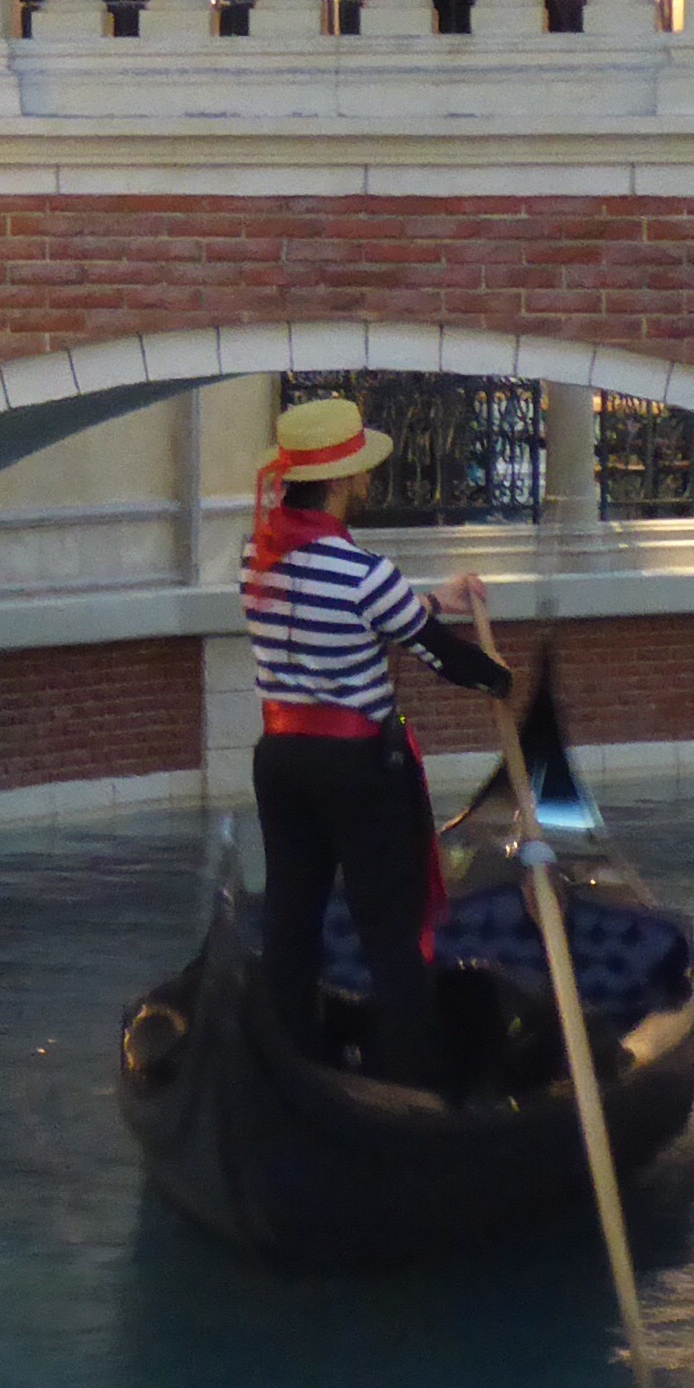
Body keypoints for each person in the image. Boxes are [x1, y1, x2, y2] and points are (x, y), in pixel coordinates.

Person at [243, 394, 515, 1092]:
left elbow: (381, 613)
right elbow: (438, 655)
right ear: (341, 481)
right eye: (361, 467)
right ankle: (412, 1081)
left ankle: (290, 1066)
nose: (368, 477)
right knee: (391, 928)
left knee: (291, 916)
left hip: (281, 763)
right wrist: (499, 678)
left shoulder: (257, 556)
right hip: (359, 769)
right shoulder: (364, 572)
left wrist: (436, 599)